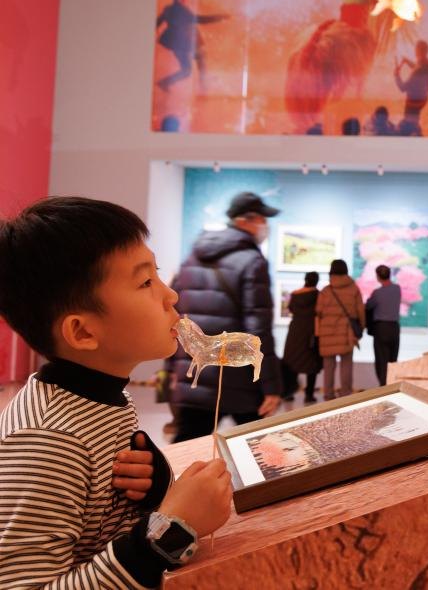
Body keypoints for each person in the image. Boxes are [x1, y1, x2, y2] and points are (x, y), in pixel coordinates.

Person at [0, 197, 232, 587]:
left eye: (156, 274)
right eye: (145, 283)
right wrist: (170, 530)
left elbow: (99, 521)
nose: (170, 296)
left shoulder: (104, 399)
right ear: (82, 332)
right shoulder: (47, 441)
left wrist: (153, 486)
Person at [168, 192, 282, 442]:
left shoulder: (192, 258)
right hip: (239, 376)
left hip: (195, 374)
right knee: (258, 449)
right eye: (262, 219)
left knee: (185, 446)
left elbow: (174, 317)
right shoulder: (252, 262)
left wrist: (171, 370)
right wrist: (271, 386)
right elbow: (258, 329)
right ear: (245, 220)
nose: (266, 225)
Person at [155, 0, 228, 92]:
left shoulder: (168, 10)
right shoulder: (182, 10)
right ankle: (203, 87)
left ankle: (165, 82)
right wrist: (220, 17)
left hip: (179, 45)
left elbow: (157, 23)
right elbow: (200, 19)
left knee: (188, 69)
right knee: (198, 62)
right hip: (187, 44)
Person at [316, 259, 366, 399]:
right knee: (346, 364)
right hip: (347, 332)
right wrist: (361, 328)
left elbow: (318, 311)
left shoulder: (326, 291)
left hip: (327, 333)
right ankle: (345, 394)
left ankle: (328, 395)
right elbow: (360, 311)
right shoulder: (354, 289)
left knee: (328, 366)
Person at [281, 271, 323, 403]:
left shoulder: (295, 294)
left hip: (295, 331)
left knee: (293, 361)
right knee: (312, 362)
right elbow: (320, 312)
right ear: (316, 281)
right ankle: (309, 395)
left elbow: (291, 309)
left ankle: (289, 393)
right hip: (311, 331)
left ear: (305, 280)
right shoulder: (318, 295)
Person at [366, 264, 402, 386]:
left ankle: (383, 388)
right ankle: (391, 386)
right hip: (394, 328)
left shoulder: (377, 293)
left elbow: (368, 306)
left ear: (378, 276)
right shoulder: (397, 289)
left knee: (381, 361)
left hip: (381, 329)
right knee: (393, 361)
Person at [394, 40, 428, 125]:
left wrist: (396, 75)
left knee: (410, 124)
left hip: (413, 103)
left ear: (419, 51)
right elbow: (420, 68)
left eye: (416, 50)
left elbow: (402, 88)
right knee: (414, 121)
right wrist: (408, 62)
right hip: (423, 100)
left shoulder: (418, 70)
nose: (415, 52)